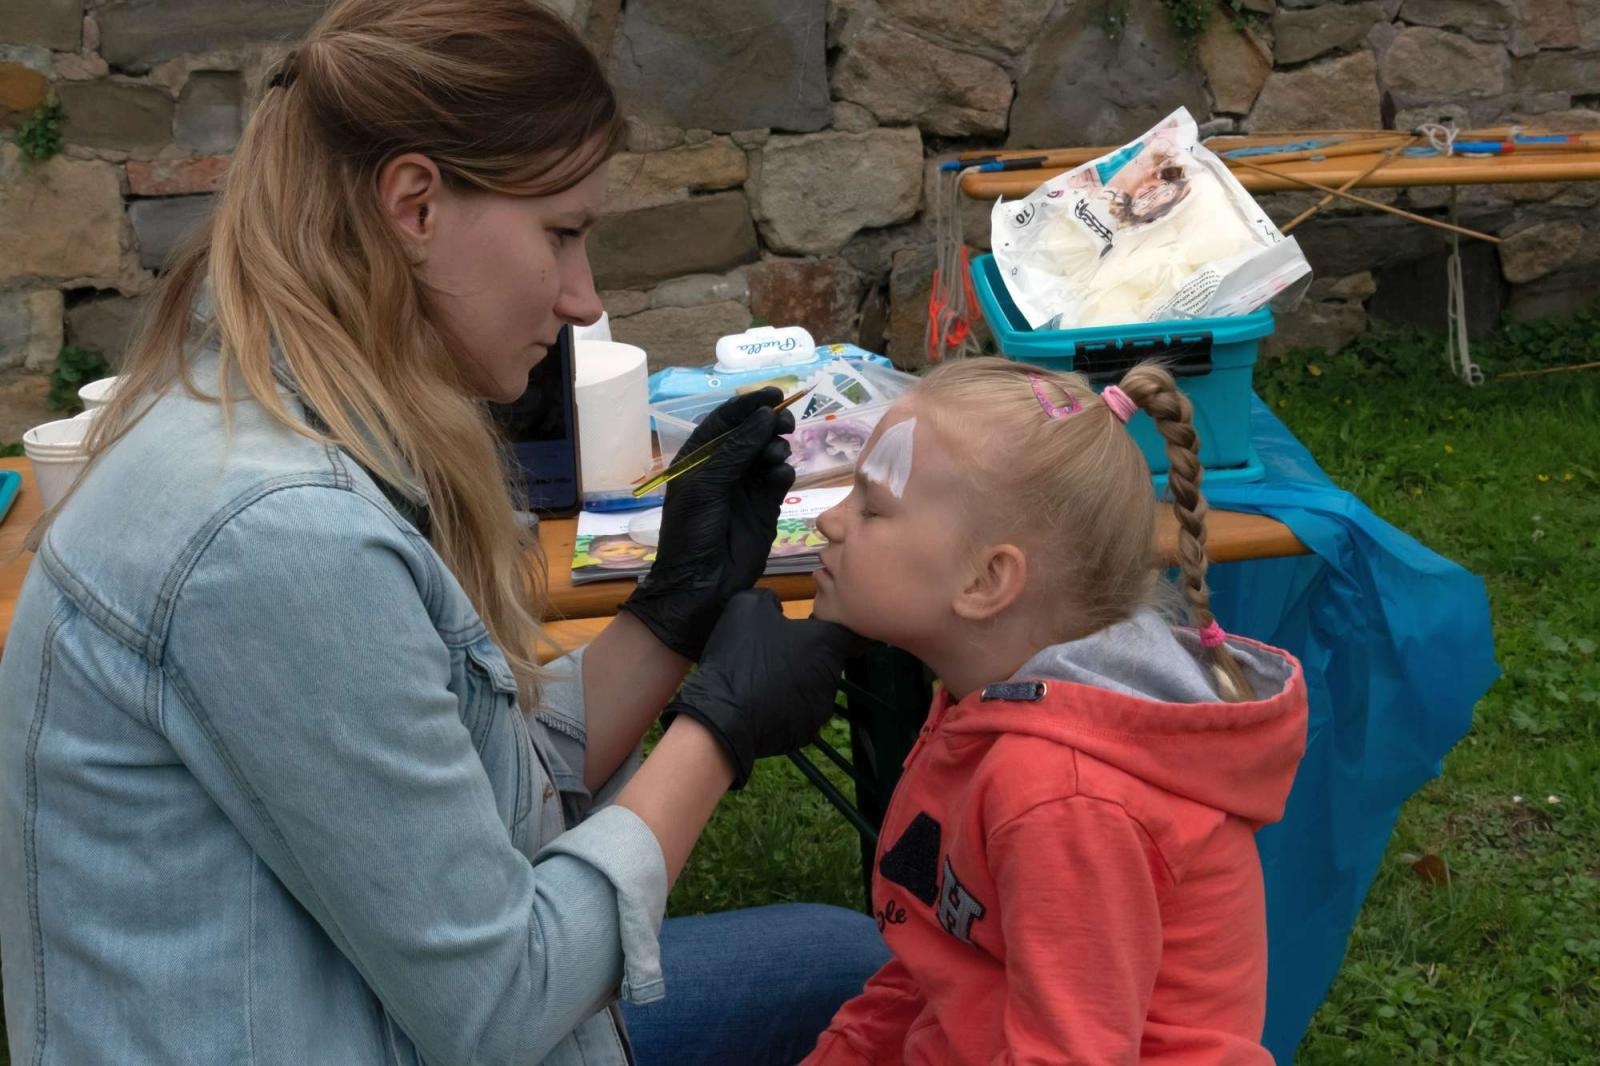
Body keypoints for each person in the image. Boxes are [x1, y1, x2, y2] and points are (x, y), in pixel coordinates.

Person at [0, 3, 885, 1064]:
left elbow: (467, 780)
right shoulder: (275, 535)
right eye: (562, 232)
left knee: (838, 961)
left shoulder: (265, 411)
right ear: (415, 204)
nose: (581, 295)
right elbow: (500, 999)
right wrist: (715, 735)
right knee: (852, 973)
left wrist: (671, 611)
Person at [800, 359, 1310, 1065]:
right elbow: (939, 957)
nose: (829, 519)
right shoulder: (987, 705)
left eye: (871, 506)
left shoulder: (1059, 794)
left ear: (987, 580)